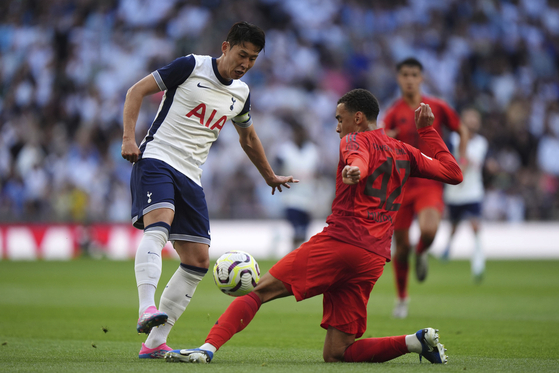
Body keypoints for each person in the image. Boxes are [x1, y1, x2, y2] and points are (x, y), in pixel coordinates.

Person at [164, 89, 462, 365]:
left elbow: (361, 158)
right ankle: (415, 342)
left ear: (357, 118)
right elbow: (453, 172)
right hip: (372, 258)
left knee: (257, 292)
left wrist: (357, 169)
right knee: (337, 353)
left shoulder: (354, 140)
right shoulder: (405, 151)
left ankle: (206, 349)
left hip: (340, 243)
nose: (337, 127)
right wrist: (427, 132)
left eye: (339, 119)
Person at [120, 21, 297, 359]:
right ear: (225, 46)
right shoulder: (190, 66)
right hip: (157, 157)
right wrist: (129, 138)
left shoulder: (241, 94)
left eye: (253, 59)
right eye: (242, 55)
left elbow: (248, 138)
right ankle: (146, 308)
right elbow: (135, 92)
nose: (245, 64)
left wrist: (269, 175)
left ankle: (155, 342)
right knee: (160, 224)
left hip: (191, 174)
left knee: (198, 261)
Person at [381, 57, 469, 319]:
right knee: (401, 246)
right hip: (402, 184)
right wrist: (388, 140)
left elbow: (461, 129)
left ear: (421, 78)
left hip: (430, 180)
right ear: (399, 78)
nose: (409, 79)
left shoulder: (437, 107)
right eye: (405, 74)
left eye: (414, 74)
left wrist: (461, 159)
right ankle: (402, 298)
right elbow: (382, 142)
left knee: (429, 231)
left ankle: (423, 252)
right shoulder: (393, 112)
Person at [442, 108, 488, 282]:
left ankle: (478, 264)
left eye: (475, 119)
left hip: (473, 192)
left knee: (475, 226)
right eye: (469, 118)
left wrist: (463, 167)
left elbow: (468, 162)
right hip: (454, 192)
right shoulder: (453, 140)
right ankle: (448, 247)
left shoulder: (481, 143)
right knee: (454, 225)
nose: (473, 122)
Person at [276, 117, 320, 251]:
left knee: (304, 232)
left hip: (308, 198)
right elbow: (276, 169)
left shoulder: (312, 151)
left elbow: (318, 172)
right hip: (291, 198)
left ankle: (297, 255)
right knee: (296, 230)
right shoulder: (285, 151)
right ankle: (294, 255)